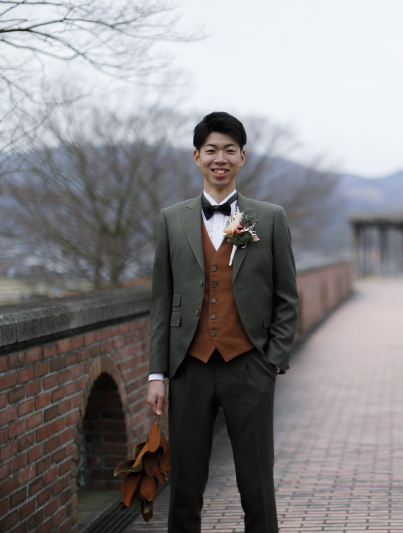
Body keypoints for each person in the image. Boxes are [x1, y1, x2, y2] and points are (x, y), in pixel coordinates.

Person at [146, 111, 298, 533]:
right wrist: (157, 373)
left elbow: (287, 297)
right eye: (211, 149)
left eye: (229, 150)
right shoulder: (171, 219)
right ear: (196, 157)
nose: (220, 158)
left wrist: (272, 362)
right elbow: (162, 301)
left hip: (249, 366)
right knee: (185, 485)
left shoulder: (269, 218)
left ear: (242, 157)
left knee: (257, 485)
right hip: (188, 368)